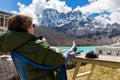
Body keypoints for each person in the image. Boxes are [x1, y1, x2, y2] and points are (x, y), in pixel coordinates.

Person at [0, 14, 77, 80]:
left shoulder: (12, 43)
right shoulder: (34, 45)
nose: (34, 27)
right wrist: (43, 44)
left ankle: (71, 50)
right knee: (66, 55)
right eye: (33, 25)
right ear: (27, 27)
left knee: (63, 53)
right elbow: (60, 58)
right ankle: (72, 50)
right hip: (43, 77)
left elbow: (41, 54)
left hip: (31, 76)